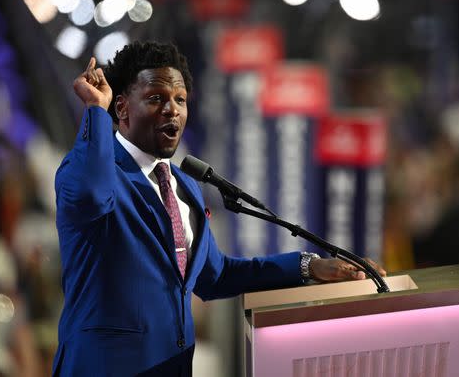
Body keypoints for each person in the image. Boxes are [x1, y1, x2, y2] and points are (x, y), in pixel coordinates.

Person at [52, 40, 386, 377]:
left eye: (180, 100)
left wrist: (309, 267)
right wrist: (96, 110)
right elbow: (91, 196)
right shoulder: (88, 170)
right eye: (156, 98)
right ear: (122, 108)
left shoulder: (184, 186)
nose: (172, 110)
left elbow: (217, 276)